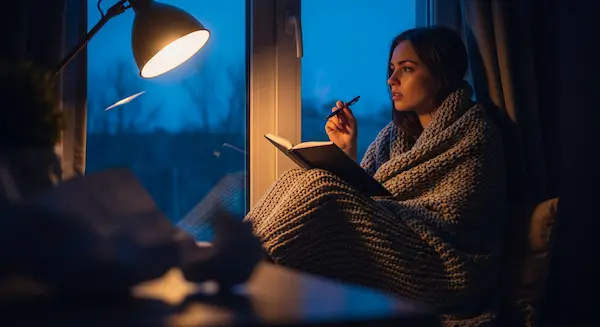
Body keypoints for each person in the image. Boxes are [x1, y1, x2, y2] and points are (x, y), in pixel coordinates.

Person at [245, 26, 507, 326]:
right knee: (294, 179)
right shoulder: (392, 136)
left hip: (445, 267)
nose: (392, 80)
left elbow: (455, 220)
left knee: (318, 186)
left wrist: (379, 209)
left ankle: (240, 262)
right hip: (400, 245)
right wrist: (346, 150)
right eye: (392, 69)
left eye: (406, 69)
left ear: (441, 74)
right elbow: (364, 194)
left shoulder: (475, 134)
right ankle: (241, 251)